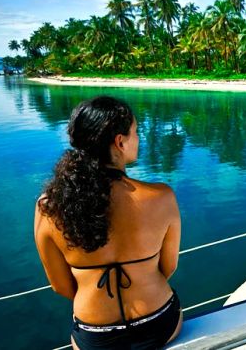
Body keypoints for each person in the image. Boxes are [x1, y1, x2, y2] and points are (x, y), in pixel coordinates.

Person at [34, 96, 182, 349]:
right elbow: (168, 267)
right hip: (159, 321)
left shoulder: (49, 207)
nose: (139, 138)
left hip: (95, 335)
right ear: (120, 141)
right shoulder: (162, 197)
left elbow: (60, 286)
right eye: (136, 131)